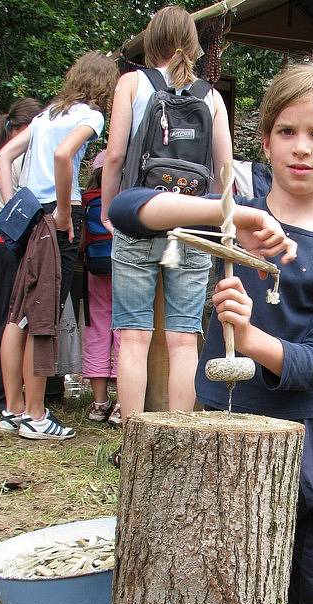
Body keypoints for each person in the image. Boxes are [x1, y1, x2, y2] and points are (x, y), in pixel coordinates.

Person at [108, 63, 313, 604]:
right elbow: (126, 209)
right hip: (225, 419)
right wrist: (233, 216)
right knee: (219, 600)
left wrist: (250, 339)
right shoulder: (239, 214)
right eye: (286, 132)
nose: (301, 149)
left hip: (307, 430)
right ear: (265, 138)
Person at [101, 5, 232, 423]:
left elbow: (116, 154)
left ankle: (136, 436)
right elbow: (225, 171)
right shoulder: (210, 97)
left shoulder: (131, 83)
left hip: (139, 221)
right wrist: (203, 212)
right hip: (188, 231)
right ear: (193, 45)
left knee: (135, 336)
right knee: (182, 338)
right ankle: (178, 433)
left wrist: (110, 210)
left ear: (150, 40)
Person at [0, 51, 117, 440]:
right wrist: (64, 212)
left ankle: (13, 409)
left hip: (31, 219)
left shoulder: (47, 114)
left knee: (18, 315)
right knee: (41, 316)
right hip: (56, 220)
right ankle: (36, 415)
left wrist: (16, 203)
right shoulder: (90, 115)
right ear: (104, 87)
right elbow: (65, 156)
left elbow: (2, 155)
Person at [0, 98, 42, 419]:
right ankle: (3, 396)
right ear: (24, 127)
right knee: (13, 321)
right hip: (11, 247)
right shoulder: (20, 161)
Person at [81, 150, 121, 426]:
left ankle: (98, 403)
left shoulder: (87, 199)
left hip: (95, 268)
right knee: (124, 330)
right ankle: (121, 403)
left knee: (97, 328)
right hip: (126, 268)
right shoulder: (125, 199)